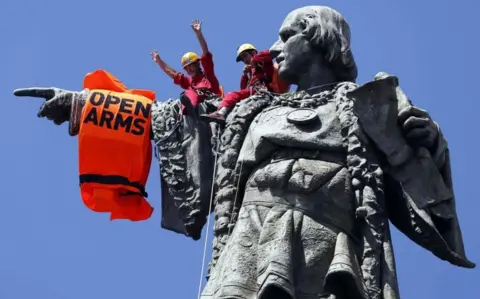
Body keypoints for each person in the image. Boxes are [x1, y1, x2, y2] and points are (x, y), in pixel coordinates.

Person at [151, 19, 221, 110]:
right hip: (198, 107)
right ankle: (190, 113)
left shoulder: (208, 74)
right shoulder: (190, 81)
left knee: (188, 93)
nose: (188, 70)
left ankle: (191, 109)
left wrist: (199, 34)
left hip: (211, 102)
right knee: (184, 97)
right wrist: (159, 62)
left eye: (190, 66)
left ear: (197, 64)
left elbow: (205, 53)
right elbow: (173, 74)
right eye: (186, 68)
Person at [201, 43, 275, 124]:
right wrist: (244, 75)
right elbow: (243, 90)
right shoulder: (251, 71)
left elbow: (271, 52)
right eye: (242, 59)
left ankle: (220, 113)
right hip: (254, 92)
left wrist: (254, 59)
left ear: (253, 52)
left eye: (245, 56)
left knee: (232, 95)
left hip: (264, 92)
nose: (244, 60)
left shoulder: (262, 61)